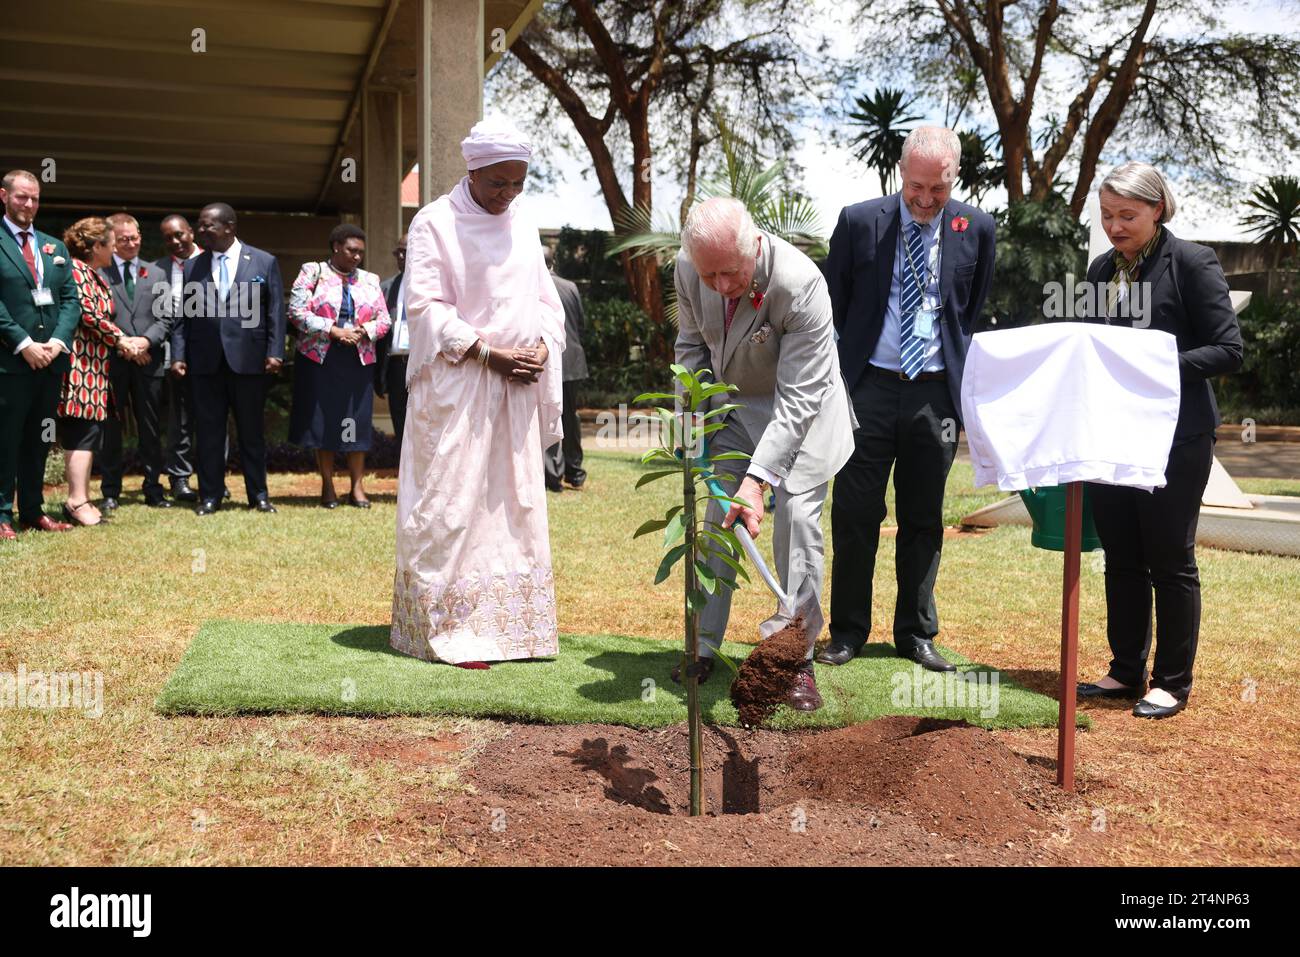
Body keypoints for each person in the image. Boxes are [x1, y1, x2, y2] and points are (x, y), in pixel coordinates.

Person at [390, 118, 565, 666]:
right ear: (473, 169)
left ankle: (515, 631)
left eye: (519, 183)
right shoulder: (433, 223)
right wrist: (487, 353)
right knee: (449, 503)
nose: (509, 194)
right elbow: (425, 306)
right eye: (499, 183)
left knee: (510, 505)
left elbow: (543, 299)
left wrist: (541, 344)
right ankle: (445, 629)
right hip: (459, 386)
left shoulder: (524, 223)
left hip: (517, 388)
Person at [820, 126, 996, 673]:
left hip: (934, 397)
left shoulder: (978, 229)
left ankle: (916, 634)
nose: (924, 200)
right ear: (901, 172)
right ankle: (847, 631)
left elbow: (970, 309)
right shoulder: (858, 221)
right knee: (854, 513)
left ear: (954, 179)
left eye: (937, 190)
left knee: (923, 518)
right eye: (916, 187)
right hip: (867, 389)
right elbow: (833, 304)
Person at [1074, 162, 1243, 719]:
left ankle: (1171, 681)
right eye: (1106, 216)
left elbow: (1227, 350)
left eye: (1127, 215)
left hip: (1177, 437)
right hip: (1111, 435)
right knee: (1121, 557)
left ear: (1158, 210)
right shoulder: (1100, 271)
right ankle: (1125, 671)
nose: (1115, 227)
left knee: (1170, 558)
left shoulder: (1192, 263)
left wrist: (1152, 363)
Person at [674, 197, 857, 711]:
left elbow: (798, 400)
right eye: (710, 276)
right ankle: (702, 646)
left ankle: (792, 659)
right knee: (717, 518)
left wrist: (757, 483)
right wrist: (691, 432)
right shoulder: (691, 270)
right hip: (736, 409)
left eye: (730, 273)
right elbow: (691, 349)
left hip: (806, 414)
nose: (722, 286)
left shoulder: (801, 285)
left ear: (755, 244)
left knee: (796, 521)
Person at [170, 202, 286, 515]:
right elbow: (185, 315)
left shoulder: (263, 262)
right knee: (208, 432)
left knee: (251, 432)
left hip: (249, 360)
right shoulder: (193, 266)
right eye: (200, 224)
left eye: (208, 225)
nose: (201, 231)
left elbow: (274, 310)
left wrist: (276, 352)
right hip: (205, 362)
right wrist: (179, 354)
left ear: (229, 227)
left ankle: (258, 496)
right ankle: (210, 496)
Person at [0, 169, 80, 540]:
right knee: (6, 438)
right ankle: (2, 515)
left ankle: (32, 511)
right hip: (10, 362)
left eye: (34, 198)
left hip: (49, 362)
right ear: (4, 196)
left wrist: (57, 343)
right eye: (21, 197)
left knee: (39, 437)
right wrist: (23, 343)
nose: (28, 204)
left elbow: (69, 301)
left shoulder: (54, 247)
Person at [287, 224, 391, 507]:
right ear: (336, 247)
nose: (357, 257)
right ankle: (328, 487)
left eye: (360, 252)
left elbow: (384, 319)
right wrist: (332, 330)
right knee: (325, 422)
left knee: (355, 422)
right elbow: (296, 313)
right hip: (320, 359)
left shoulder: (370, 279)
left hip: (358, 360)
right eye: (351, 251)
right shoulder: (313, 271)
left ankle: (357, 488)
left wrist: (362, 332)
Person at [56, 218, 149, 526]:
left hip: (93, 369)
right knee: (81, 434)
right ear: (96, 247)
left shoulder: (89, 272)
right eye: (110, 244)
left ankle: (79, 498)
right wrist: (121, 339)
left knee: (86, 434)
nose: (115, 250)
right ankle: (76, 501)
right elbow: (88, 314)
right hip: (78, 368)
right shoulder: (76, 272)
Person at [97, 212, 174, 510]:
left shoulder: (156, 274)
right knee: (110, 431)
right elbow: (96, 316)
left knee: (151, 430)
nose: (131, 243)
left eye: (135, 237)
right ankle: (110, 492)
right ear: (112, 242)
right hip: (113, 361)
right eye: (124, 239)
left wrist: (144, 342)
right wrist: (124, 344)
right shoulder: (100, 273)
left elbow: (166, 316)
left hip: (148, 361)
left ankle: (154, 489)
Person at [155, 214, 204, 502]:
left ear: (191, 232)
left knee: (213, 419)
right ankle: (180, 478)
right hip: (174, 355)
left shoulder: (213, 261)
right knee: (180, 419)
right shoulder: (158, 270)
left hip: (212, 354)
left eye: (179, 235)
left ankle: (214, 475)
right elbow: (163, 317)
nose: (174, 242)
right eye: (168, 238)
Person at [542, 245, 588, 492]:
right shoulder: (570, 287)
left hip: (548, 361)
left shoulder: (534, 287)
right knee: (571, 417)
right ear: (554, 261)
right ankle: (575, 471)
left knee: (549, 415)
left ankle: (552, 475)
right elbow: (580, 326)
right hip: (572, 362)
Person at [373, 234, 409, 447]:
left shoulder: (434, 285)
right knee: (400, 421)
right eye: (398, 252)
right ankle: (404, 476)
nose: (401, 256)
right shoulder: (387, 287)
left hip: (425, 365)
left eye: (407, 251)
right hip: (396, 365)